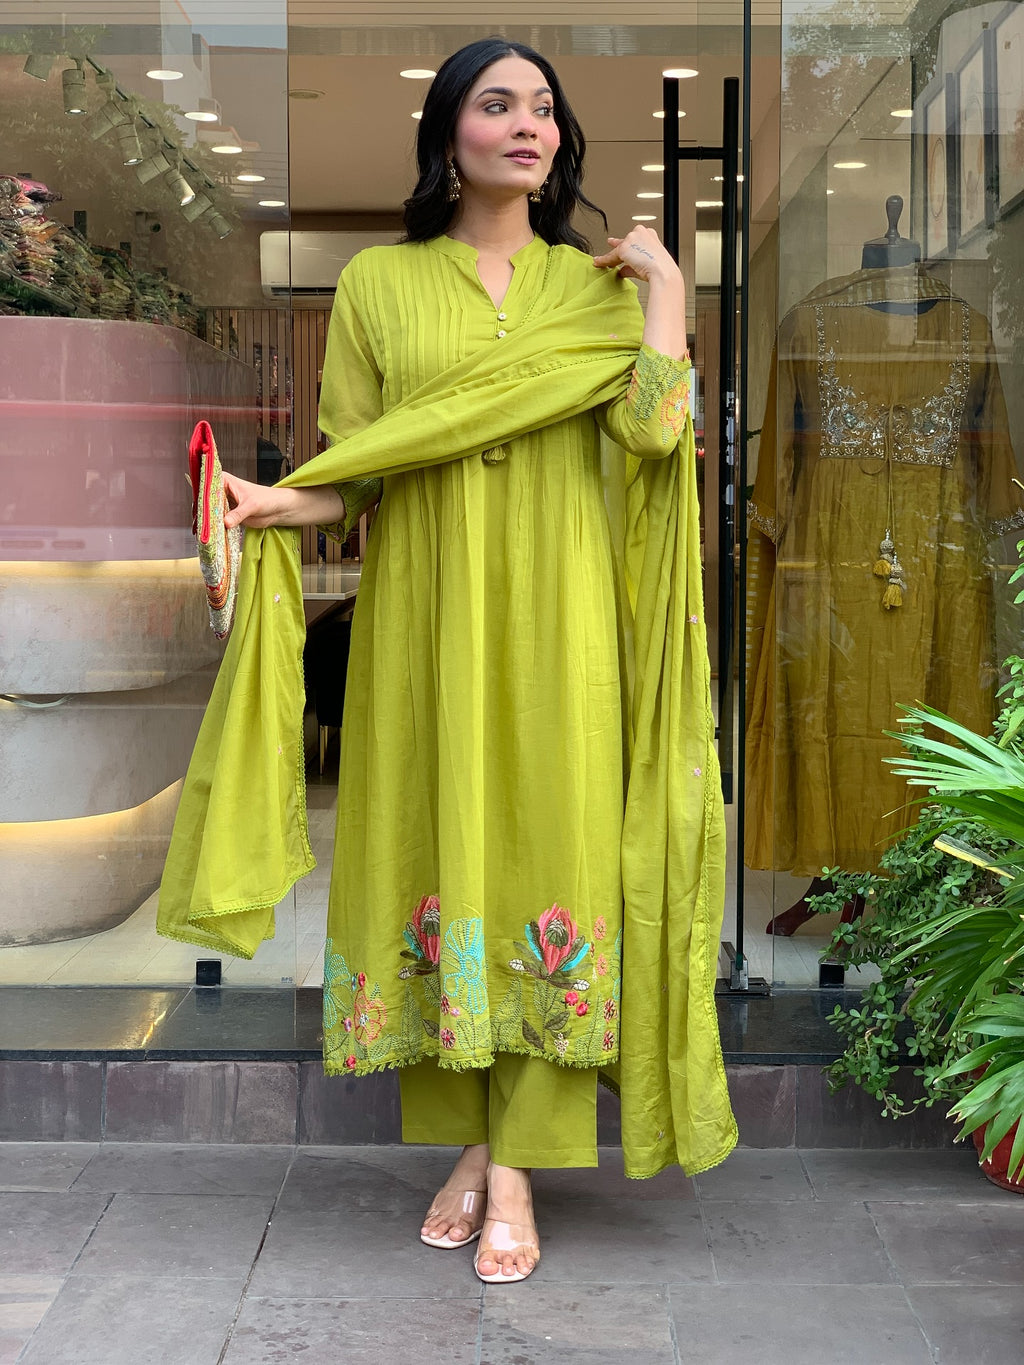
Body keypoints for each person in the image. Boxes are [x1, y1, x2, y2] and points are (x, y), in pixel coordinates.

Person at [159, 38, 735, 1285]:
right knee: (436, 854)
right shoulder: (377, 284)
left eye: (544, 108)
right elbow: (354, 471)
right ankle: (474, 1144)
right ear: (450, 136)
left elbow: (653, 435)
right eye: (496, 104)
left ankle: (512, 1164)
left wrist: (664, 293)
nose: (527, 125)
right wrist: (269, 501)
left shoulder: (593, 293)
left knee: (547, 860)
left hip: (563, 623)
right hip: (420, 620)